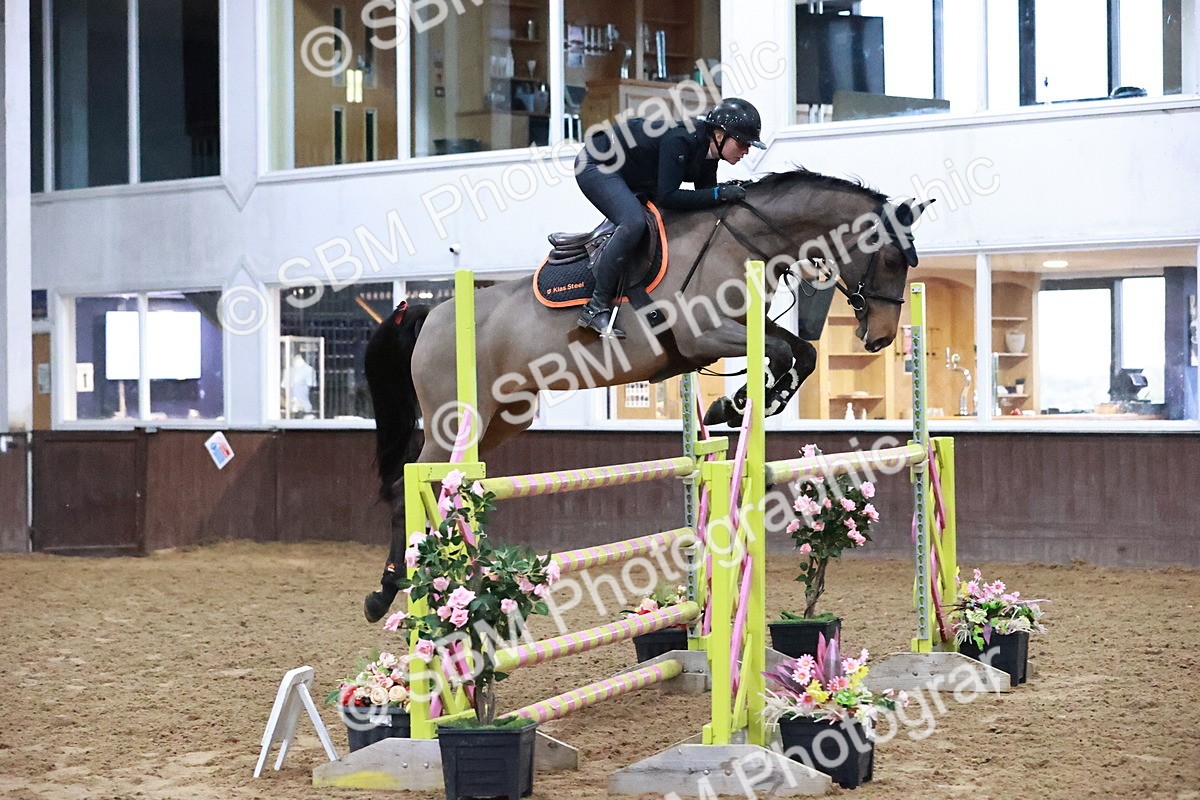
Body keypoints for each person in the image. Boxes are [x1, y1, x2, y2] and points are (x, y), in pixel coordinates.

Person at [573, 97, 767, 339]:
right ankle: (595, 306)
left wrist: (725, 196)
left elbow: (705, 205)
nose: (746, 151)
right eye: (742, 143)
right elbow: (668, 196)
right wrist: (719, 193)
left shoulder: (709, 155)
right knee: (633, 221)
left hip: (633, 172)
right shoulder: (680, 140)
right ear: (719, 135)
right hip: (596, 164)